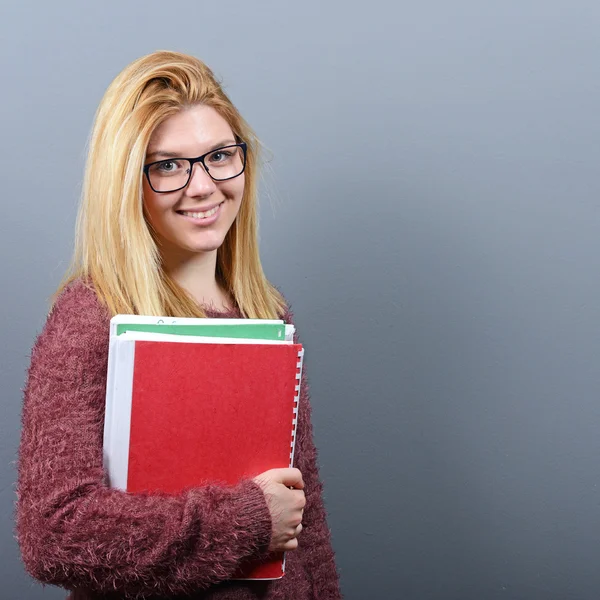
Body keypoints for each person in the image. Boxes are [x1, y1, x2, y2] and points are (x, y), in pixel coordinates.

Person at [16, 50, 341, 600]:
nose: (203, 186)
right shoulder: (91, 316)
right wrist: (248, 518)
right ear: (127, 184)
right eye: (167, 165)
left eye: (219, 155)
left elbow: (305, 531)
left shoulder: (267, 313)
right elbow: (55, 535)